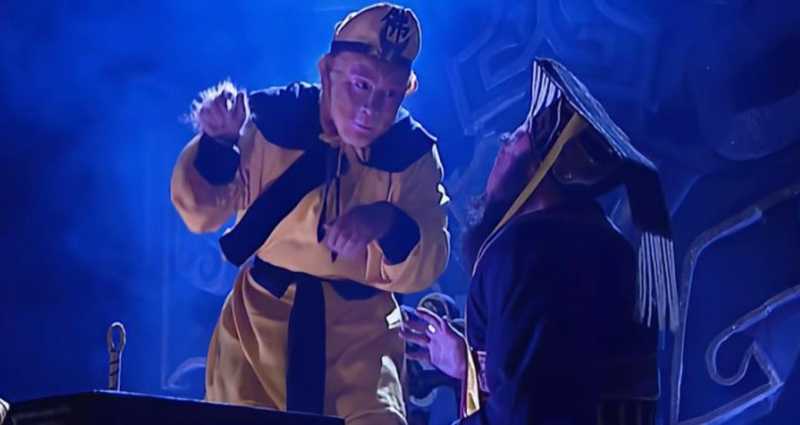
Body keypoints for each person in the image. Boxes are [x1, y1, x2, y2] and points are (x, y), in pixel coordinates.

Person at [170, 4, 450, 424]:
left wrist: (383, 221)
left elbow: (427, 258)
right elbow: (200, 215)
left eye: (390, 94)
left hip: (361, 342)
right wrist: (218, 142)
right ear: (328, 71)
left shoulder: (411, 155)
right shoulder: (272, 122)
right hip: (261, 328)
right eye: (360, 84)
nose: (371, 108)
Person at [401, 58, 679, 424]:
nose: (500, 150)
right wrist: (466, 364)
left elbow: (529, 414)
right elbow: (559, 383)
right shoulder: (603, 245)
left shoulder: (528, 252)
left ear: (540, 171)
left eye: (510, 143)